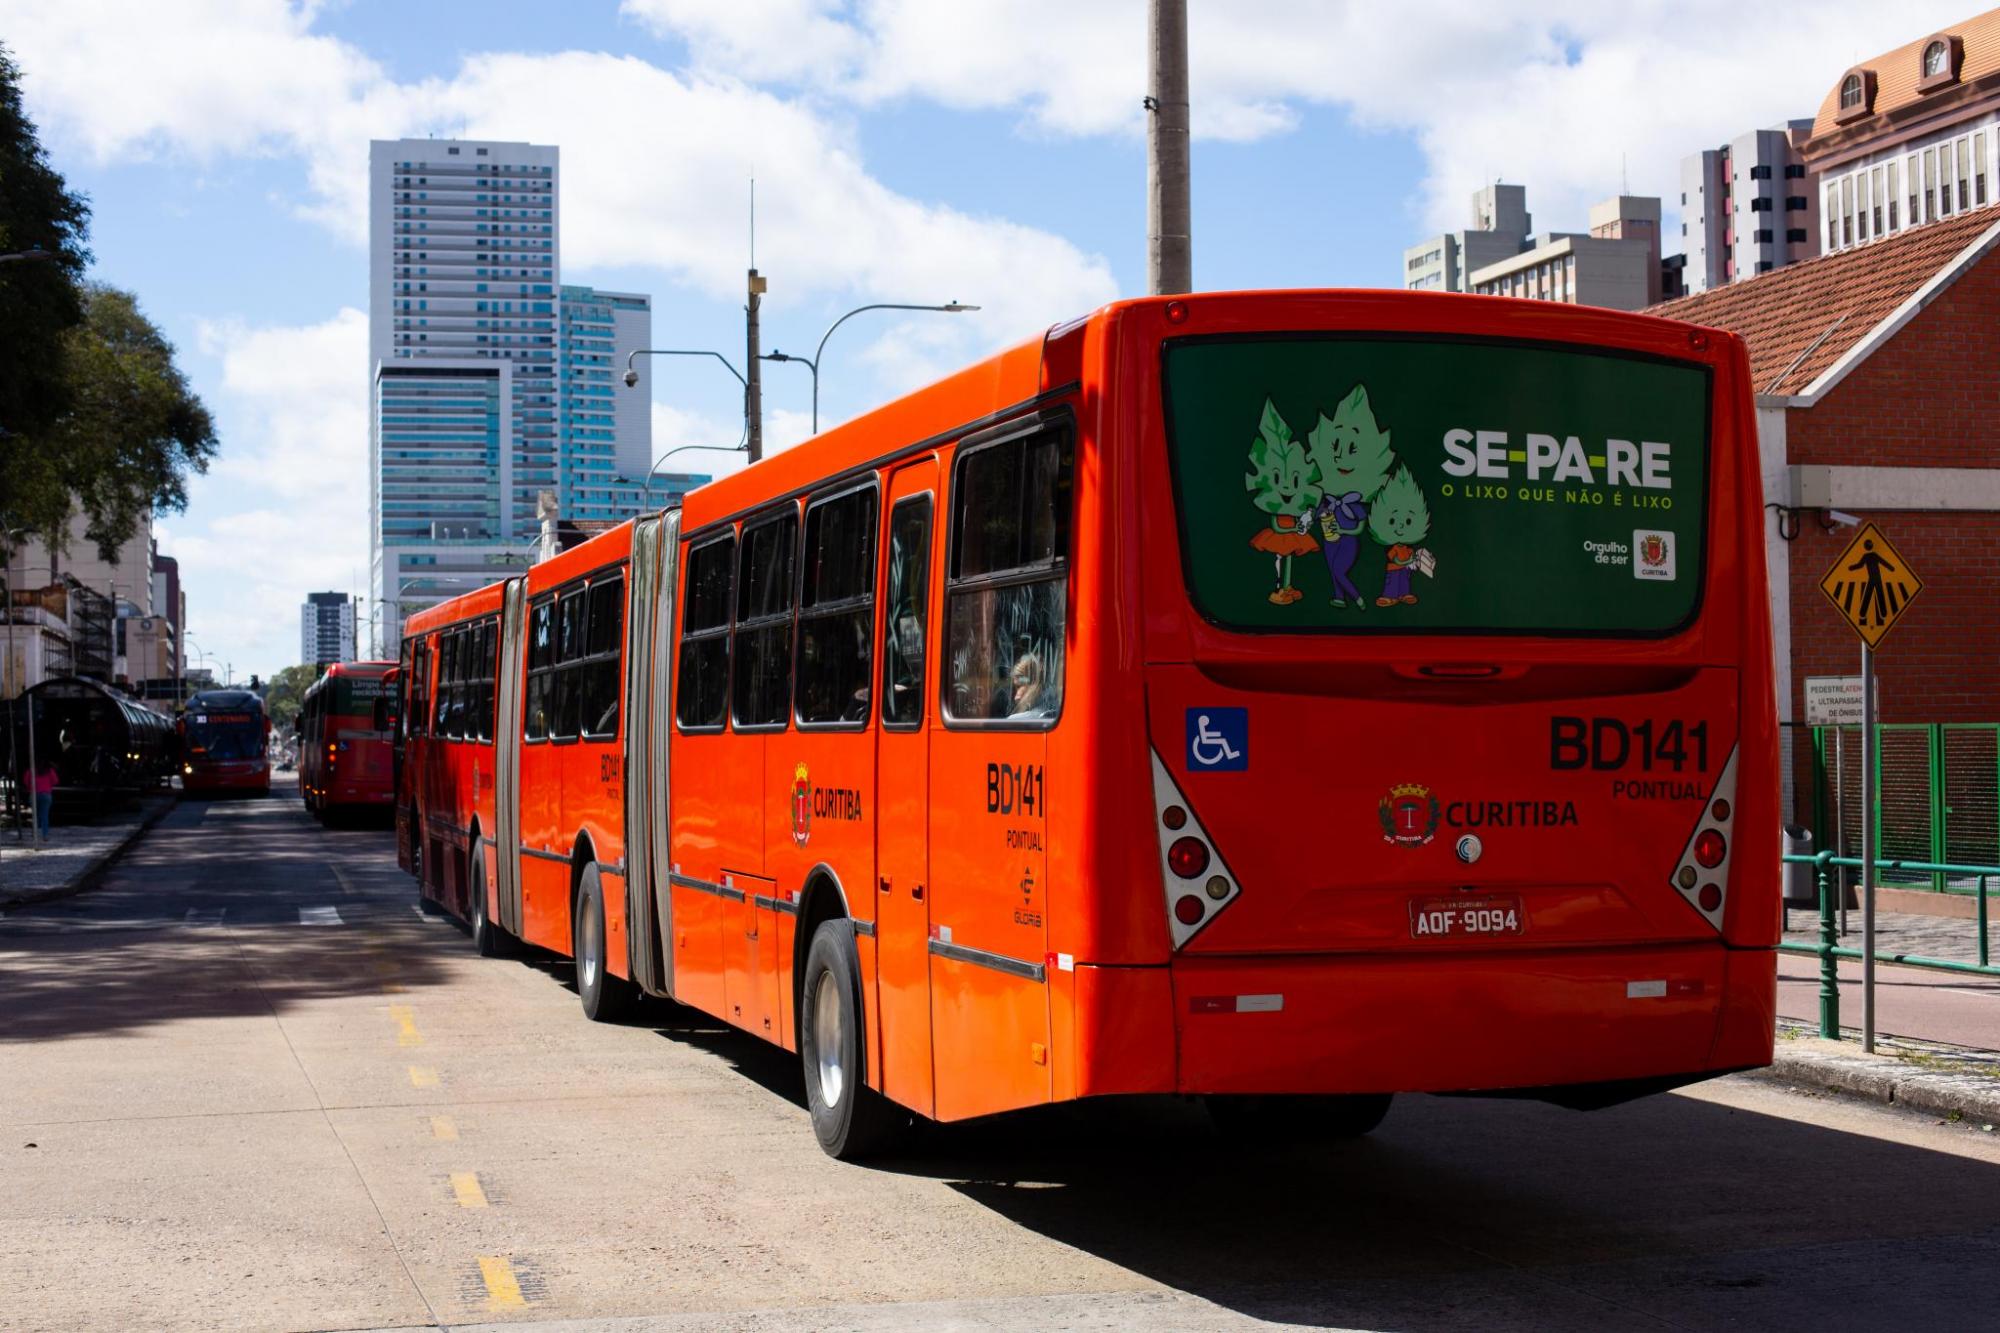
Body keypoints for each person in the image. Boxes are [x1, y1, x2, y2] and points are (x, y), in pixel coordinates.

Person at [30, 756, 57, 840]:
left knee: (35, 815)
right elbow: (55, 781)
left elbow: (26, 781)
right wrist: (47, 785)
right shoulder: (50, 771)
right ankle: (44, 835)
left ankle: (34, 833)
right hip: (46, 795)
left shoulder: (32, 771)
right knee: (44, 815)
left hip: (34, 794)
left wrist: (32, 787)